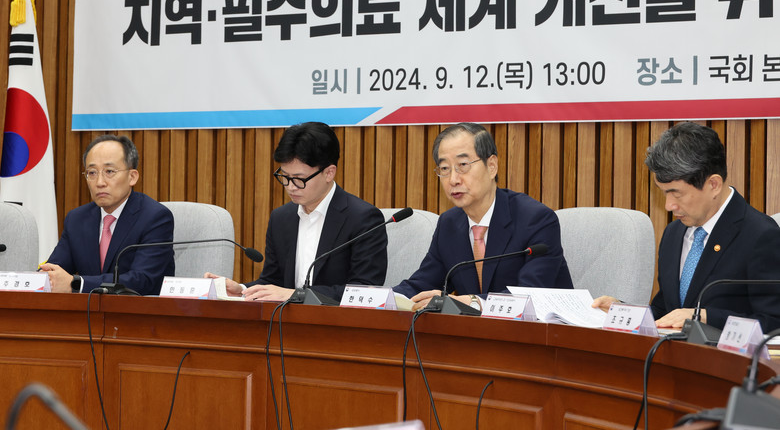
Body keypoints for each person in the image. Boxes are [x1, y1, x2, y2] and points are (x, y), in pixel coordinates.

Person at [593, 122, 780, 331]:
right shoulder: (673, 233)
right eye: (664, 193)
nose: (669, 206)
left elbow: (774, 321)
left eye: (677, 193)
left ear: (713, 185)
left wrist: (706, 317)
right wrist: (623, 311)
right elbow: (666, 312)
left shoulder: (761, 235)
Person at [393, 123, 573, 311]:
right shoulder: (449, 223)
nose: (453, 179)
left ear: (492, 166)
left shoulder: (536, 219)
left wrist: (473, 302)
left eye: (463, 165)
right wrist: (384, 298)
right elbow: (422, 284)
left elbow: (531, 295)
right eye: (445, 168)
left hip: (545, 327)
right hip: (478, 330)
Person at [207, 122, 387, 302]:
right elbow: (273, 281)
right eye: (285, 176)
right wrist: (242, 290)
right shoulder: (281, 218)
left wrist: (297, 295)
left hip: (339, 319)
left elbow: (364, 290)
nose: (290, 187)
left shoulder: (363, 219)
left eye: (299, 179)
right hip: (285, 318)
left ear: (329, 173)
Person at [40, 135, 174, 295]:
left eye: (109, 171)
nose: (99, 182)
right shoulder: (77, 219)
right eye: (92, 173)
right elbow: (55, 269)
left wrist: (77, 284)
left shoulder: (155, 217)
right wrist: (44, 278)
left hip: (139, 309)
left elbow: (142, 280)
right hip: (88, 310)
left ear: (132, 177)